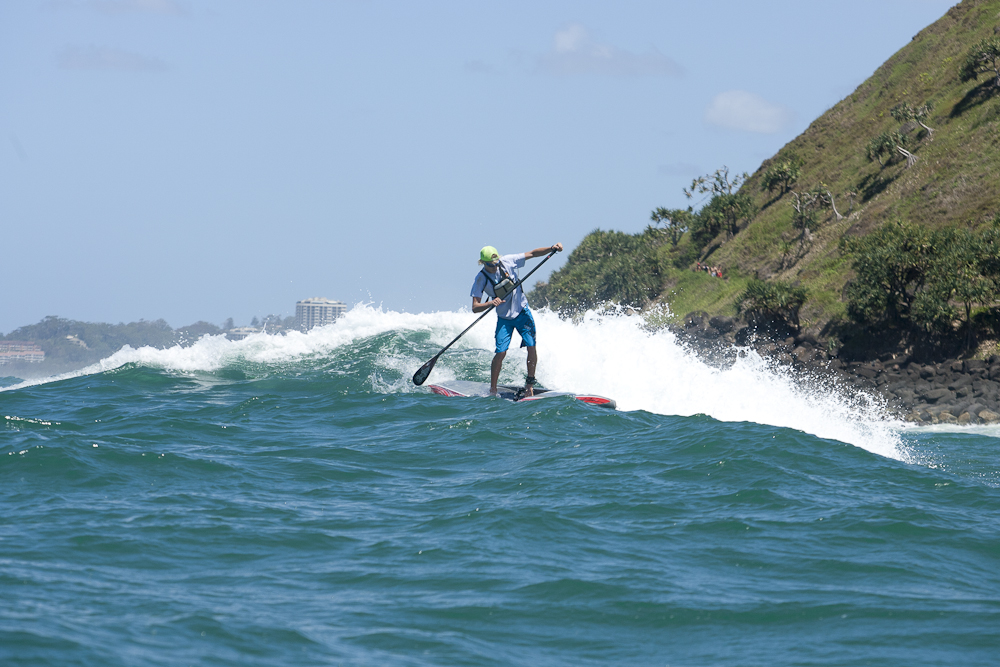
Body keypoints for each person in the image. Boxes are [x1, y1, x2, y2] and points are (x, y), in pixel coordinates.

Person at [471, 243, 563, 397]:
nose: (494, 267)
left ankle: (529, 385)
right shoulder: (481, 279)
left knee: (531, 346)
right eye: (490, 265)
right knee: (500, 353)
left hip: (522, 312)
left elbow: (532, 253)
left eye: (496, 263)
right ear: (482, 263)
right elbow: (475, 307)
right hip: (504, 319)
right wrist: (490, 303)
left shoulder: (508, 261)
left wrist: (551, 248)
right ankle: (493, 389)